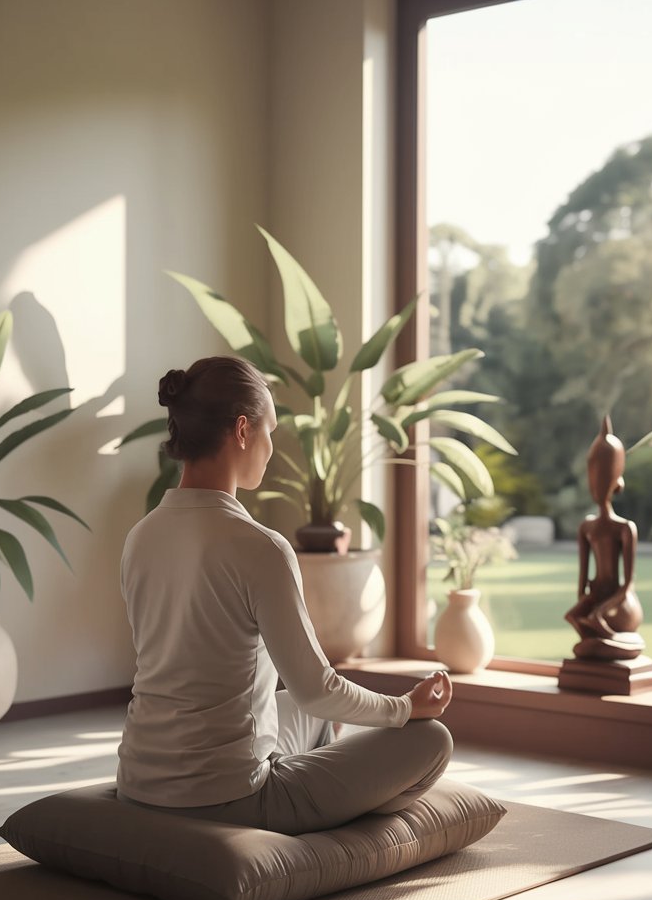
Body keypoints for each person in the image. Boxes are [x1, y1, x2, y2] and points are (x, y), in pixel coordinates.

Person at [116, 355, 453, 835]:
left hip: (137, 782)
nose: (272, 448)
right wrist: (405, 708)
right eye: (269, 430)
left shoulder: (140, 536)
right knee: (432, 741)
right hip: (229, 797)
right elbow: (318, 688)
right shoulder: (262, 547)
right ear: (240, 430)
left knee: (304, 716)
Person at [564, 415, 646, 660]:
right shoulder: (587, 527)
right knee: (573, 616)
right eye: (594, 475)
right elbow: (582, 575)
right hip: (597, 596)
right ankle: (600, 639)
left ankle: (610, 638)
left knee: (596, 619)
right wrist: (586, 601)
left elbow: (628, 582)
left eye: (604, 475)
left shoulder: (624, 528)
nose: (597, 484)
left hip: (618, 602)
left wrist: (601, 610)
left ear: (616, 480)